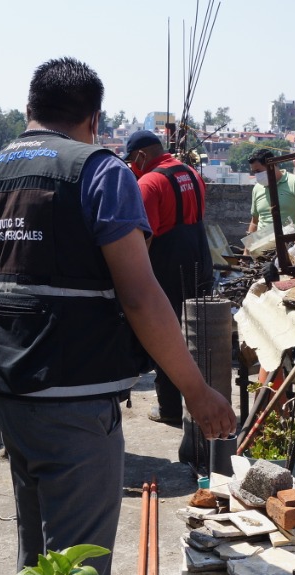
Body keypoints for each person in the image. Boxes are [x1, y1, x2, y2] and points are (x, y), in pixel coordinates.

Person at [0, 57, 235, 575]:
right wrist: (196, 389)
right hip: (72, 392)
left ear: (29, 107)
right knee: (79, 556)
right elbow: (141, 295)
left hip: (9, 388)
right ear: (92, 118)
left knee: (36, 537)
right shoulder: (100, 171)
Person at [125, 129, 215, 427]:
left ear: (140, 156)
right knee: (197, 333)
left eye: (133, 162)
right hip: (199, 259)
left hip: (168, 264)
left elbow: (144, 239)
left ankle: (170, 409)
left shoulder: (149, 183)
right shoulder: (190, 172)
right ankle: (202, 399)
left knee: (164, 333)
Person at [246, 148, 295, 233]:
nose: (257, 175)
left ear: (272, 165)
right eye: (254, 172)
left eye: (258, 171)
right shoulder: (257, 188)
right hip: (263, 244)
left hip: (290, 242)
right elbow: (254, 221)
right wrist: (249, 244)